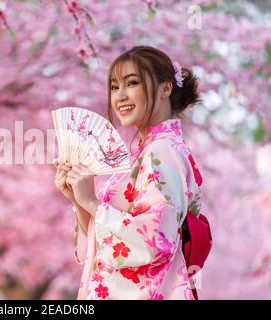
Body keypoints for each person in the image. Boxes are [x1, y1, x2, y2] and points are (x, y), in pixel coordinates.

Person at [53, 45, 205, 300]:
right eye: (114, 87)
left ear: (165, 88)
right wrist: (79, 202)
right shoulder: (149, 152)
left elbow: (156, 240)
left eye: (131, 83)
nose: (120, 96)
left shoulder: (162, 152)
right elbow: (104, 240)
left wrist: (92, 202)